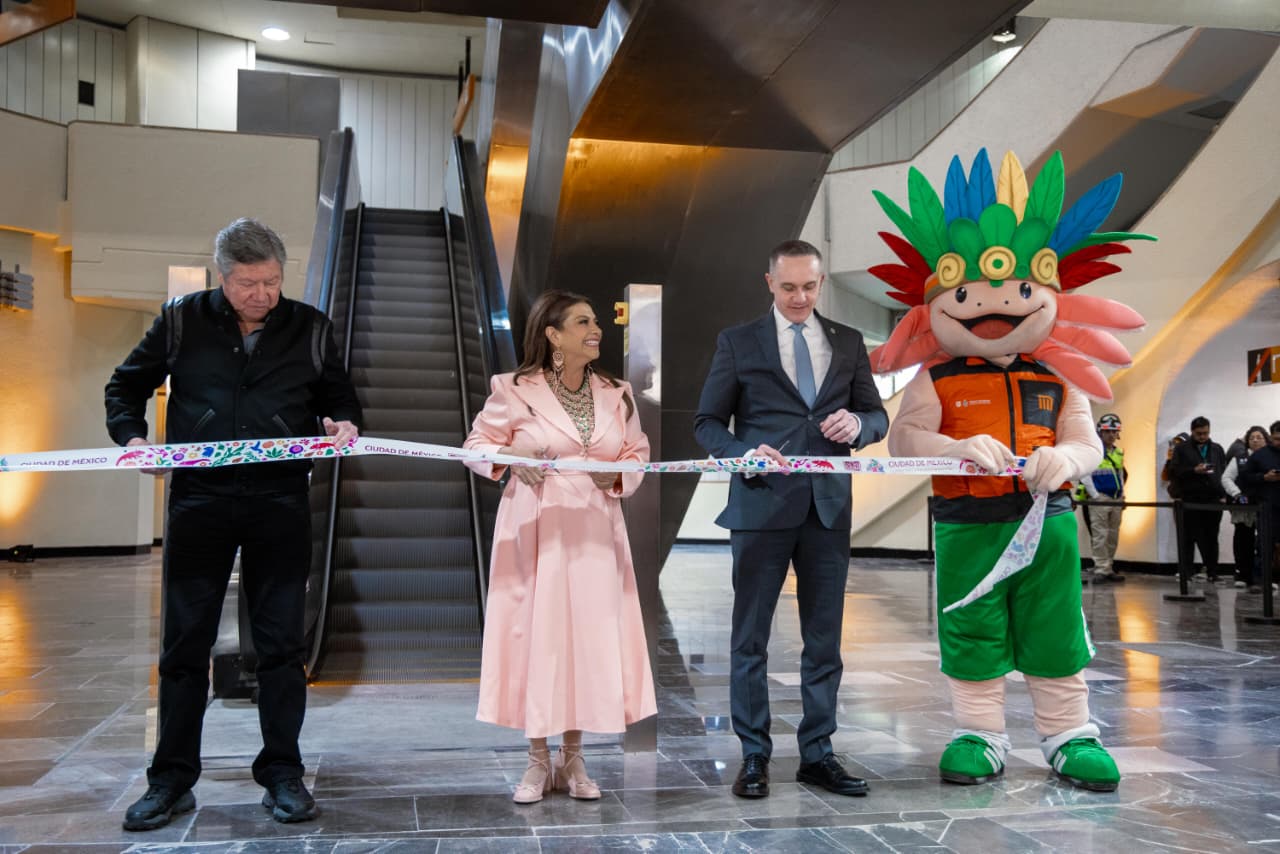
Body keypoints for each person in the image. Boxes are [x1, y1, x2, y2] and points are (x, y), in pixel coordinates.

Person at [869, 148, 1154, 793]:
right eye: (964, 296)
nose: (991, 306)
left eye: (1022, 292)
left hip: (1047, 524)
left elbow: (1086, 443)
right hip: (967, 524)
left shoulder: (1057, 376)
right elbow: (902, 440)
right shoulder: (936, 377)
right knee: (972, 623)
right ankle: (979, 732)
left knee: (1054, 625)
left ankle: (1070, 733)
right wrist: (955, 447)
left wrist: (1065, 459)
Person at [104, 218, 362, 831]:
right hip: (200, 501)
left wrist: (343, 423)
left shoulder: (310, 327)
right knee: (184, 646)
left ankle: (282, 774)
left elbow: (340, 396)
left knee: (281, 646)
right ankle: (170, 780)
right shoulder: (181, 320)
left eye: (271, 281)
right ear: (222, 277)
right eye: (248, 283)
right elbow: (125, 386)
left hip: (279, 501)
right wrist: (133, 439)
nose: (262, 294)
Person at [694, 239, 888, 799]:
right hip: (760, 505)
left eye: (808, 286)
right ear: (769, 283)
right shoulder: (737, 342)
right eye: (788, 287)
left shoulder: (848, 342)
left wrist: (860, 426)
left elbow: (876, 415)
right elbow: (708, 423)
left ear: (821, 282)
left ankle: (818, 754)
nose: (799, 297)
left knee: (824, 641)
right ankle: (754, 755)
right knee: (750, 638)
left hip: (828, 509)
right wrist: (742, 454)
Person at [463, 290, 656, 805]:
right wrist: (509, 452)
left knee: (586, 640)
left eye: (595, 321)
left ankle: (573, 758)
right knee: (540, 638)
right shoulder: (512, 388)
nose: (596, 330)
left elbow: (637, 452)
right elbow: (474, 448)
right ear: (553, 334)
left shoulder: (617, 392)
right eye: (583, 322)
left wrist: (619, 474)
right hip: (537, 529)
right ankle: (536, 759)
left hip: (596, 531)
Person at [1169, 416, 1228, 583]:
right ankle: (1187, 572)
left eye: (1206, 433)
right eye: (1199, 433)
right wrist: (1193, 470)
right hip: (1190, 498)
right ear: (1192, 432)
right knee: (1188, 536)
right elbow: (1174, 471)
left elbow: (1223, 471)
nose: (1202, 437)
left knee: (1211, 537)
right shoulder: (1181, 448)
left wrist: (1223, 494)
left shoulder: (1217, 449)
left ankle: (1212, 572)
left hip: (1213, 498)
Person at [1080, 414, 1127, 582]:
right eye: (1108, 431)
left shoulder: (1118, 452)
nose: (1111, 435)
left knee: (1113, 535)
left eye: (1114, 431)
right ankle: (1101, 568)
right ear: (1100, 432)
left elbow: (1120, 474)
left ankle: (1109, 566)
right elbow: (1085, 474)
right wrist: (1095, 495)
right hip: (1100, 498)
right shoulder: (1093, 451)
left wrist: (1122, 494)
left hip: (1116, 498)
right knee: (1100, 535)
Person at [1222, 425, 1268, 590]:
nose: (1255, 440)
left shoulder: (1272, 457)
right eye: (1252, 438)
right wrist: (1237, 494)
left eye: (1259, 437)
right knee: (1243, 539)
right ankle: (1242, 574)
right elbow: (1226, 478)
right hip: (1244, 505)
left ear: (1266, 440)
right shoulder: (1240, 459)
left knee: (1266, 541)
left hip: (1266, 504)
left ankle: (1265, 576)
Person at [1239, 420, 1280, 593]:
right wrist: (1264, 477)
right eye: (1277, 439)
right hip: (1268, 507)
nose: (1279, 443)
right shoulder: (1259, 455)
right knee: (1265, 545)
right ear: (1271, 437)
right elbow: (1244, 478)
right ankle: (1262, 580)